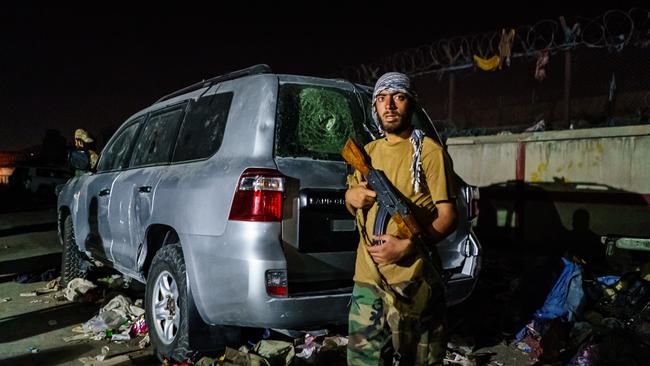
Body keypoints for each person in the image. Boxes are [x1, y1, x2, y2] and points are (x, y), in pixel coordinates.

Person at [345, 72, 458, 365]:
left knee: (419, 359)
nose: (390, 105)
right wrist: (351, 198)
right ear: (375, 108)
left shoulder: (430, 153)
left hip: (413, 281)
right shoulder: (367, 154)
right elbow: (352, 204)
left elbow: (449, 217)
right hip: (368, 279)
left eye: (399, 97)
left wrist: (408, 246)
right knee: (363, 360)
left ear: (411, 105)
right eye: (382, 99)